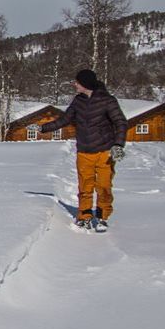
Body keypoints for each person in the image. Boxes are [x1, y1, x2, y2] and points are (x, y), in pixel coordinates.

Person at [41, 69, 128, 231]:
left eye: (77, 82)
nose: (74, 84)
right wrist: (45, 128)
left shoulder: (108, 101)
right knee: (85, 186)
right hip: (84, 151)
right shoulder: (78, 101)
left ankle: (102, 216)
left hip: (105, 151)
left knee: (103, 186)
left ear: (86, 84)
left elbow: (121, 123)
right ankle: (85, 216)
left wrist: (118, 144)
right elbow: (65, 119)